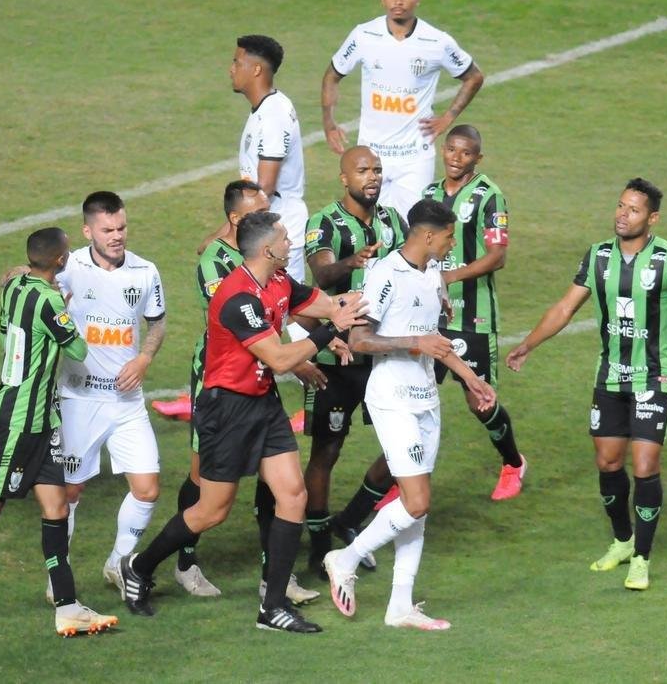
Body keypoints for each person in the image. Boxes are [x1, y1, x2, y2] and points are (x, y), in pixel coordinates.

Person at [118, 212, 365, 634]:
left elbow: (326, 304)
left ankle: (271, 608)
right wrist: (328, 333)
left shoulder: (279, 280)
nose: (292, 244)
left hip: (262, 403)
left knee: (293, 495)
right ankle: (138, 567)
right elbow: (281, 358)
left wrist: (359, 302)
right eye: (286, 239)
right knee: (212, 510)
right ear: (267, 249)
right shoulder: (238, 299)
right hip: (227, 409)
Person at [505, 178, 667, 591]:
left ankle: (642, 558)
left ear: (652, 218)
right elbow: (566, 307)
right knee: (607, 463)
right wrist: (528, 345)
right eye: (620, 206)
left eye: (633, 209)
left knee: (645, 466)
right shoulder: (599, 256)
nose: (623, 214)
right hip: (610, 375)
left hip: (654, 377)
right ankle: (622, 539)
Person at [323, 198, 495, 631]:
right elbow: (360, 339)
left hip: (425, 398)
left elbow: (432, 337)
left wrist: (470, 378)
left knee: (417, 505)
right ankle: (344, 558)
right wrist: (412, 344)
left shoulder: (432, 273)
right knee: (417, 501)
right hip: (392, 396)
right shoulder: (384, 274)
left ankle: (399, 606)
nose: (452, 244)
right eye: (450, 236)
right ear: (429, 235)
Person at [0, 227, 117, 637]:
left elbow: (9, 275)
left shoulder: (17, 286)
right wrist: (66, 313)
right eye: (67, 252)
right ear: (59, 261)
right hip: (17, 423)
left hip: (41, 423)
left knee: (56, 509)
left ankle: (68, 607)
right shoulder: (51, 300)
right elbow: (77, 350)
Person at [176, 180, 320, 605]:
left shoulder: (265, 254)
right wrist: (300, 354)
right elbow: (247, 318)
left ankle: (272, 575)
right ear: (239, 221)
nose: (271, 213)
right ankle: (185, 562)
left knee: (275, 477)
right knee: (202, 475)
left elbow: (284, 303)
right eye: (261, 208)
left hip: (263, 374)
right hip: (221, 378)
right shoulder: (216, 263)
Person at [302, 146, 407, 574]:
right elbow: (322, 274)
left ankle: (350, 522)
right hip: (337, 355)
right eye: (363, 170)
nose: (372, 177)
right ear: (344, 178)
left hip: (383, 352)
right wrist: (353, 261)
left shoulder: (393, 221)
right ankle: (319, 543)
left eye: (377, 170)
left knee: (401, 450)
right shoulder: (323, 222)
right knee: (327, 450)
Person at [55, 191, 165, 595]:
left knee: (148, 488)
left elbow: (156, 324)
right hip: (78, 399)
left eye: (121, 227)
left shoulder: (144, 271)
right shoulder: (69, 269)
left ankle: (118, 562)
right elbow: (33, 283)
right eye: (107, 230)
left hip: (126, 402)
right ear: (88, 231)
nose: (117, 236)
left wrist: (144, 360)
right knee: (69, 492)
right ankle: (59, 573)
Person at [321, 0, 485, 216]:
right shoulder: (364, 35)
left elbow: (473, 77)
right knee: (369, 228)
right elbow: (332, 75)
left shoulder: (436, 41)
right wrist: (328, 121)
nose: (398, 2)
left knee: (414, 229)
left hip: (414, 158)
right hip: (371, 157)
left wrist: (447, 118)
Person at [422, 125, 526, 500]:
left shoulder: (489, 197)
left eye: (465, 153)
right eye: (450, 149)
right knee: (415, 392)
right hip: (430, 317)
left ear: (476, 159)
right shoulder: (430, 194)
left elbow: (497, 257)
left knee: (477, 399)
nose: (455, 157)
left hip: (474, 317)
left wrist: (448, 276)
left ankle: (513, 462)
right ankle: (405, 479)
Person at [228, 34, 309, 282]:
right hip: (266, 233)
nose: (231, 69)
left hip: (278, 234)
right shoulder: (266, 109)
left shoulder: (274, 115)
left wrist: (227, 234)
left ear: (256, 70)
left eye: (237, 63)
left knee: (285, 313)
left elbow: (265, 189)